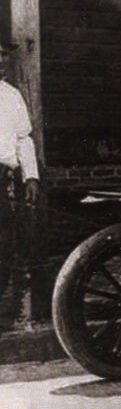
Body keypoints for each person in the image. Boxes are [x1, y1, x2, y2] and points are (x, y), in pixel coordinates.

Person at [0, 38, 40, 311]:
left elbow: (24, 138)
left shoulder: (11, 96)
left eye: (3, 56)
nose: (1, 61)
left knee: (3, 244)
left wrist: (31, 176)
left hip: (2, 180)